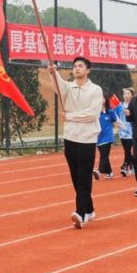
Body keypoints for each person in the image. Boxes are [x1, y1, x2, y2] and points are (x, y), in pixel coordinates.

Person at [49, 57, 104, 229]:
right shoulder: (68, 87)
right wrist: (53, 72)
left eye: (81, 66)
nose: (77, 68)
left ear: (88, 70)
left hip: (87, 139)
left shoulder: (95, 90)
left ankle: (81, 213)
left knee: (84, 176)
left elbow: (92, 114)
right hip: (70, 137)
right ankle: (89, 208)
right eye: (74, 66)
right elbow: (57, 85)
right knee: (75, 176)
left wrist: (70, 116)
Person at [93, 93, 119, 180]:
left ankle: (99, 171)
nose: (101, 100)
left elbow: (115, 121)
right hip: (98, 137)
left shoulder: (110, 111)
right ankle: (109, 172)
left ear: (105, 100)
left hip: (108, 136)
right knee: (104, 155)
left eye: (102, 98)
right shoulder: (95, 112)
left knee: (104, 155)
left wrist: (115, 130)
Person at [118, 87, 135, 176]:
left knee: (127, 150)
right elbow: (115, 115)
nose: (126, 96)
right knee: (126, 150)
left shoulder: (134, 105)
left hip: (131, 131)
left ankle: (127, 166)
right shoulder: (119, 105)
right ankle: (129, 165)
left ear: (132, 95)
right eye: (125, 94)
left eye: (128, 94)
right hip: (122, 131)